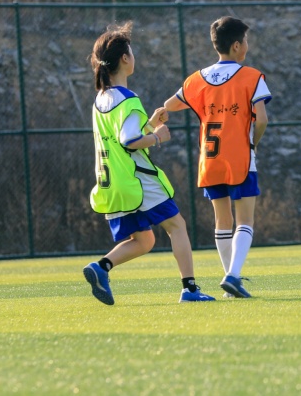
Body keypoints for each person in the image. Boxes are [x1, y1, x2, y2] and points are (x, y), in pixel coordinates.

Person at [83, 22, 214, 305]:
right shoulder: (129, 99)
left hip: (114, 182)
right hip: (137, 178)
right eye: (131, 50)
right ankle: (190, 290)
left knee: (145, 240)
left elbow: (120, 136)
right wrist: (156, 137)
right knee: (177, 226)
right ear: (125, 59)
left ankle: (101, 267)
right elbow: (129, 141)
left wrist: (150, 123)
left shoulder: (100, 100)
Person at [164, 16, 271, 298]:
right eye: (245, 41)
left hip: (210, 160)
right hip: (239, 158)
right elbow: (261, 120)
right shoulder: (251, 76)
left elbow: (170, 105)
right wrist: (253, 144)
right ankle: (233, 276)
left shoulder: (196, 79)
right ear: (237, 46)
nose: (247, 46)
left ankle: (229, 282)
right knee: (244, 221)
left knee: (222, 221)